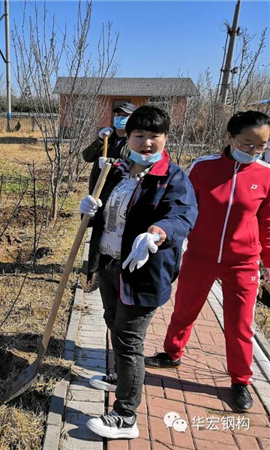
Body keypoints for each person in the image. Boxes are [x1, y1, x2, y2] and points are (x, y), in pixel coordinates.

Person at [79, 105, 198, 439]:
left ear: (165, 139)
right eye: (139, 135)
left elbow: (183, 216)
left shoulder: (173, 178)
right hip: (110, 264)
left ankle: (125, 416)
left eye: (154, 136)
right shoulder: (116, 171)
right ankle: (118, 376)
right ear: (128, 138)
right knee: (112, 324)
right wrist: (90, 209)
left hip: (142, 274)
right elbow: (105, 210)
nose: (147, 143)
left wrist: (157, 232)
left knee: (130, 341)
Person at [145, 110, 270, 412]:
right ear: (230, 138)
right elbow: (184, 209)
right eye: (247, 143)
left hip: (243, 262)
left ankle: (240, 380)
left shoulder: (266, 175)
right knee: (185, 308)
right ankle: (172, 353)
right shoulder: (203, 168)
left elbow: (267, 224)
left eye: (261, 146)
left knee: (240, 324)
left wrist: (268, 265)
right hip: (200, 256)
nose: (253, 150)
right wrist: (170, 241)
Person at [82, 102, 136, 194]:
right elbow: (87, 157)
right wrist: (99, 140)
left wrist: (109, 163)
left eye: (125, 115)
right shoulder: (107, 137)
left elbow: (132, 164)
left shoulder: (135, 140)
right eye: (118, 115)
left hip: (118, 192)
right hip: (97, 189)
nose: (120, 118)